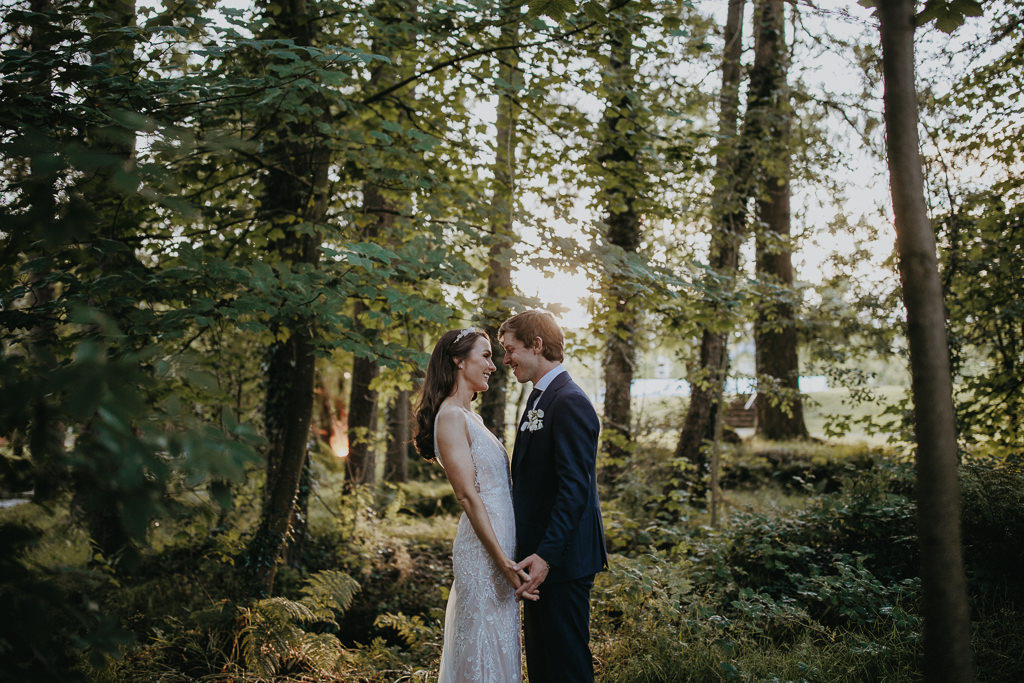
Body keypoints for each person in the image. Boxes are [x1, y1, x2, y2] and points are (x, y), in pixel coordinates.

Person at [413, 327, 537, 683]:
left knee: (499, 646)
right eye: (484, 355)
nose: (493, 366)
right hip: (485, 555)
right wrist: (502, 561)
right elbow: (468, 496)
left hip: (502, 550)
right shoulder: (450, 416)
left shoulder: (472, 418)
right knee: (481, 648)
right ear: (457, 360)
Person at [499, 310, 608, 683]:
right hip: (539, 559)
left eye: (510, 349)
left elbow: (574, 488)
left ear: (536, 345)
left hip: (562, 558)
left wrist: (546, 555)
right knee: (543, 666)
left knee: (567, 665)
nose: (506, 359)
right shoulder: (539, 398)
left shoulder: (569, 401)